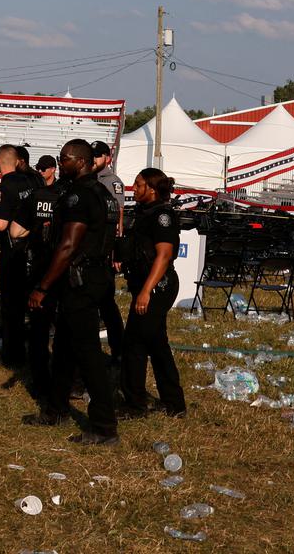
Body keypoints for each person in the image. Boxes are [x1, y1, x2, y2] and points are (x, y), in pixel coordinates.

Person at [23, 139, 117, 445]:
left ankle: (104, 426)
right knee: (63, 348)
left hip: (81, 279)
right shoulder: (100, 192)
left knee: (88, 354)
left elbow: (68, 245)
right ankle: (56, 409)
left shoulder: (80, 195)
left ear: (81, 161)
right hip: (90, 276)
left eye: (65, 159)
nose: (61, 163)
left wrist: (42, 286)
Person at [119, 167, 187, 419]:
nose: (133, 189)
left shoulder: (162, 216)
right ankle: (174, 403)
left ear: (150, 188)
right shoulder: (143, 212)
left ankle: (135, 405)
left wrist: (146, 291)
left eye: (137, 185)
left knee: (134, 343)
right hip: (144, 283)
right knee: (157, 344)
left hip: (158, 286)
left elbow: (165, 255)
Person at [0, 144, 42, 369]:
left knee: (11, 306)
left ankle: (12, 355)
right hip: (35, 249)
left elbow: (0, 224)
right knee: (33, 304)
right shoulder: (32, 181)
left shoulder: (5, 187)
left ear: (0, 161)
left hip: (14, 252)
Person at [90, 140, 127, 363]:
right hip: (92, 246)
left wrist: (116, 250)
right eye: (92, 155)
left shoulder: (113, 182)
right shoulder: (90, 179)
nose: (94, 159)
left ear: (107, 158)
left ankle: (118, 349)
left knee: (106, 302)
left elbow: (119, 216)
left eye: (98, 155)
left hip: (106, 247)